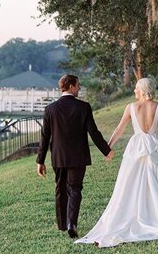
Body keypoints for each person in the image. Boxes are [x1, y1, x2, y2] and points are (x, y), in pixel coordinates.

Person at [75, 77, 158, 247]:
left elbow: (119, 129)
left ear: (142, 90)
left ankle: (137, 215)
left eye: (136, 88)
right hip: (154, 148)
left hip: (136, 148)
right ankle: (157, 217)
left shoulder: (131, 107)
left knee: (130, 184)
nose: (134, 91)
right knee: (156, 182)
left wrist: (108, 148)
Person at [36, 74, 114, 238]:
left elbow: (45, 136)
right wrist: (106, 150)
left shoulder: (50, 109)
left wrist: (40, 161)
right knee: (75, 189)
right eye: (78, 85)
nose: (79, 88)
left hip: (58, 156)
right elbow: (93, 132)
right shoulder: (83, 107)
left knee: (60, 189)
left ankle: (62, 225)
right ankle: (72, 223)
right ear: (71, 86)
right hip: (78, 156)